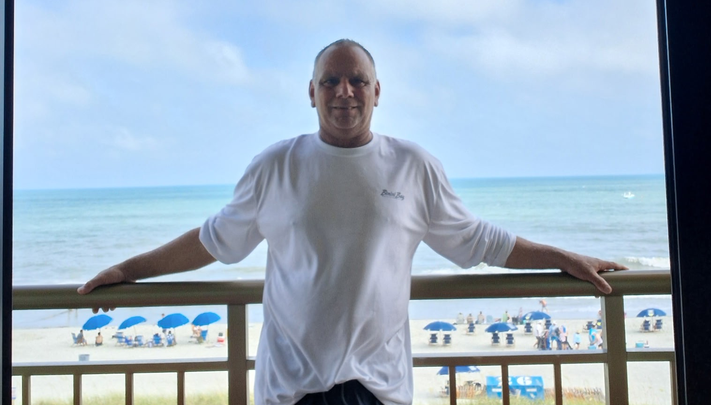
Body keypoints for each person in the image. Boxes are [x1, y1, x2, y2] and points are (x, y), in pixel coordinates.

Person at [76, 39, 627, 404]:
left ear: (377, 92)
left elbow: (480, 240)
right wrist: (127, 271)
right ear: (311, 92)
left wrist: (563, 258)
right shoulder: (275, 166)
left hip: (378, 388)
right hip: (289, 390)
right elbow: (211, 242)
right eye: (331, 81)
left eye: (358, 80)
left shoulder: (412, 165)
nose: (345, 91)